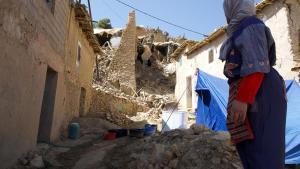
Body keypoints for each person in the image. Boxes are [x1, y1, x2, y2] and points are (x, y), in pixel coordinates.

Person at [219, 0, 287, 168]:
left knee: (263, 153)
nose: (226, 16)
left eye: (227, 11)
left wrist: (243, 98)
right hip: (256, 92)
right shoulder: (240, 31)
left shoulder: (250, 25)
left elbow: (257, 65)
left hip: (259, 93)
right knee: (251, 152)